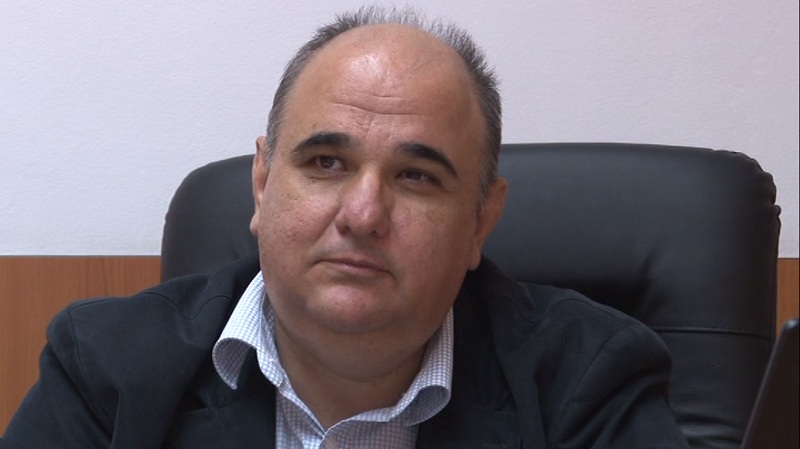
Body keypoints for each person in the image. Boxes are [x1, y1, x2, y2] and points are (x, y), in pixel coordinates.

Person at [2, 6, 689, 448]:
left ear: (481, 220)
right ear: (264, 183)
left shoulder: (588, 379)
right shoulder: (106, 368)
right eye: (326, 163)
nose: (362, 215)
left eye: (416, 176)